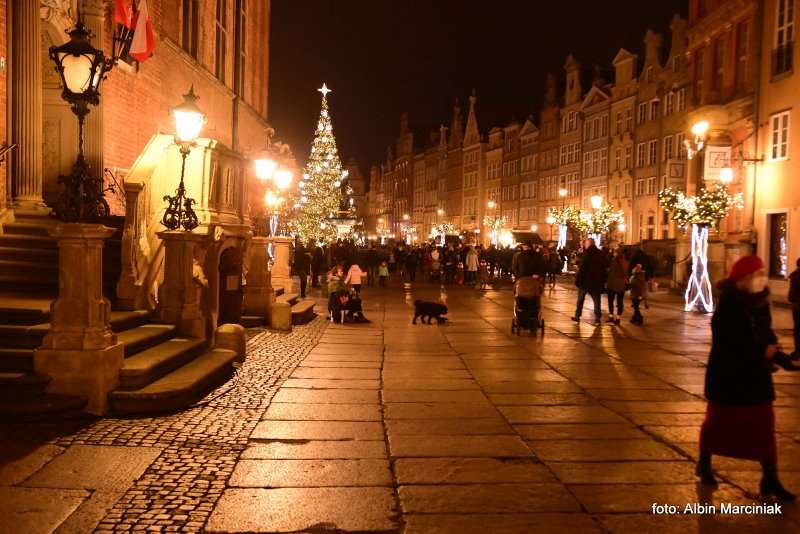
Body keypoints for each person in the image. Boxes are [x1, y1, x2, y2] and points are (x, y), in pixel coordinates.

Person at [697, 255, 795, 501]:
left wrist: (782, 358)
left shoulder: (760, 302)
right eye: (757, 275)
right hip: (729, 376)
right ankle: (704, 462)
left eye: (763, 273)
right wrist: (762, 352)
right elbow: (728, 342)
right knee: (718, 425)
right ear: (743, 279)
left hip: (756, 377)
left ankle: (770, 479)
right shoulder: (729, 305)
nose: (762, 278)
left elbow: (766, 334)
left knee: (764, 427)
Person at [571, 238, 607, 326]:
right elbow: (604, 268)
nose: (584, 245)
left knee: (580, 299)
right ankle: (597, 318)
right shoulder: (600, 253)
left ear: (589, 244)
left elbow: (583, 268)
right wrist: (603, 279)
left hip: (585, 282)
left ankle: (577, 315)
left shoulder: (587, 254)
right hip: (596, 281)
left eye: (585, 243)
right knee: (596, 300)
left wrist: (577, 280)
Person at [606, 250, 629, 325]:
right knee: (620, 301)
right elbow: (627, 274)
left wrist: (607, 283)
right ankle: (618, 318)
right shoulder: (626, 263)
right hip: (621, 285)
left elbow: (611, 274)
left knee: (610, 301)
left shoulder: (613, 262)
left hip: (612, 284)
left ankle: (611, 316)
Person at [789, 258, 800, 357]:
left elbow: (791, 296)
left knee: (797, 329)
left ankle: (798, 351)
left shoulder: (795, 276)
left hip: (797, 306)